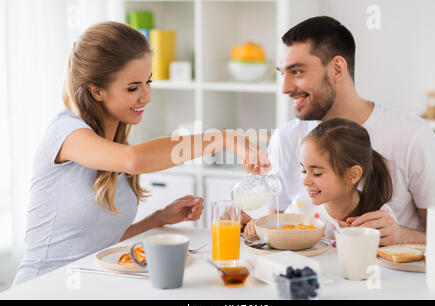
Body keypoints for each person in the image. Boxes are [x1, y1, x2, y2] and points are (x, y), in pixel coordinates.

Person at [13, 21, 269, 286]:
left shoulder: (114, 144)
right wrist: (223, 138)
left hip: (90, 283)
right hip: (43, 286)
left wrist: (158, 219)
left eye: (148, 82)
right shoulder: (66, 133)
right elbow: (134, 160)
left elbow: (101, 243)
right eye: (133, 87)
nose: (146, 96)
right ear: (96, 91)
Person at [244, 16, 435, 245]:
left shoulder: (413, 135)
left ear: (337, 69)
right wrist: (251, 226)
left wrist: (402, 236)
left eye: (297, 72)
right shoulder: (285, 139)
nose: (285, 88)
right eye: (283, 73)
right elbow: (277, 230)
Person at [245, 118, 394, 243]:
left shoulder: (378, 217)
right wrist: (258, 236)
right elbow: (279, 244)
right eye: (304, 170)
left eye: (316, 173)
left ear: (352, 175)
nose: (305, 181)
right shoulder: (300, 208)